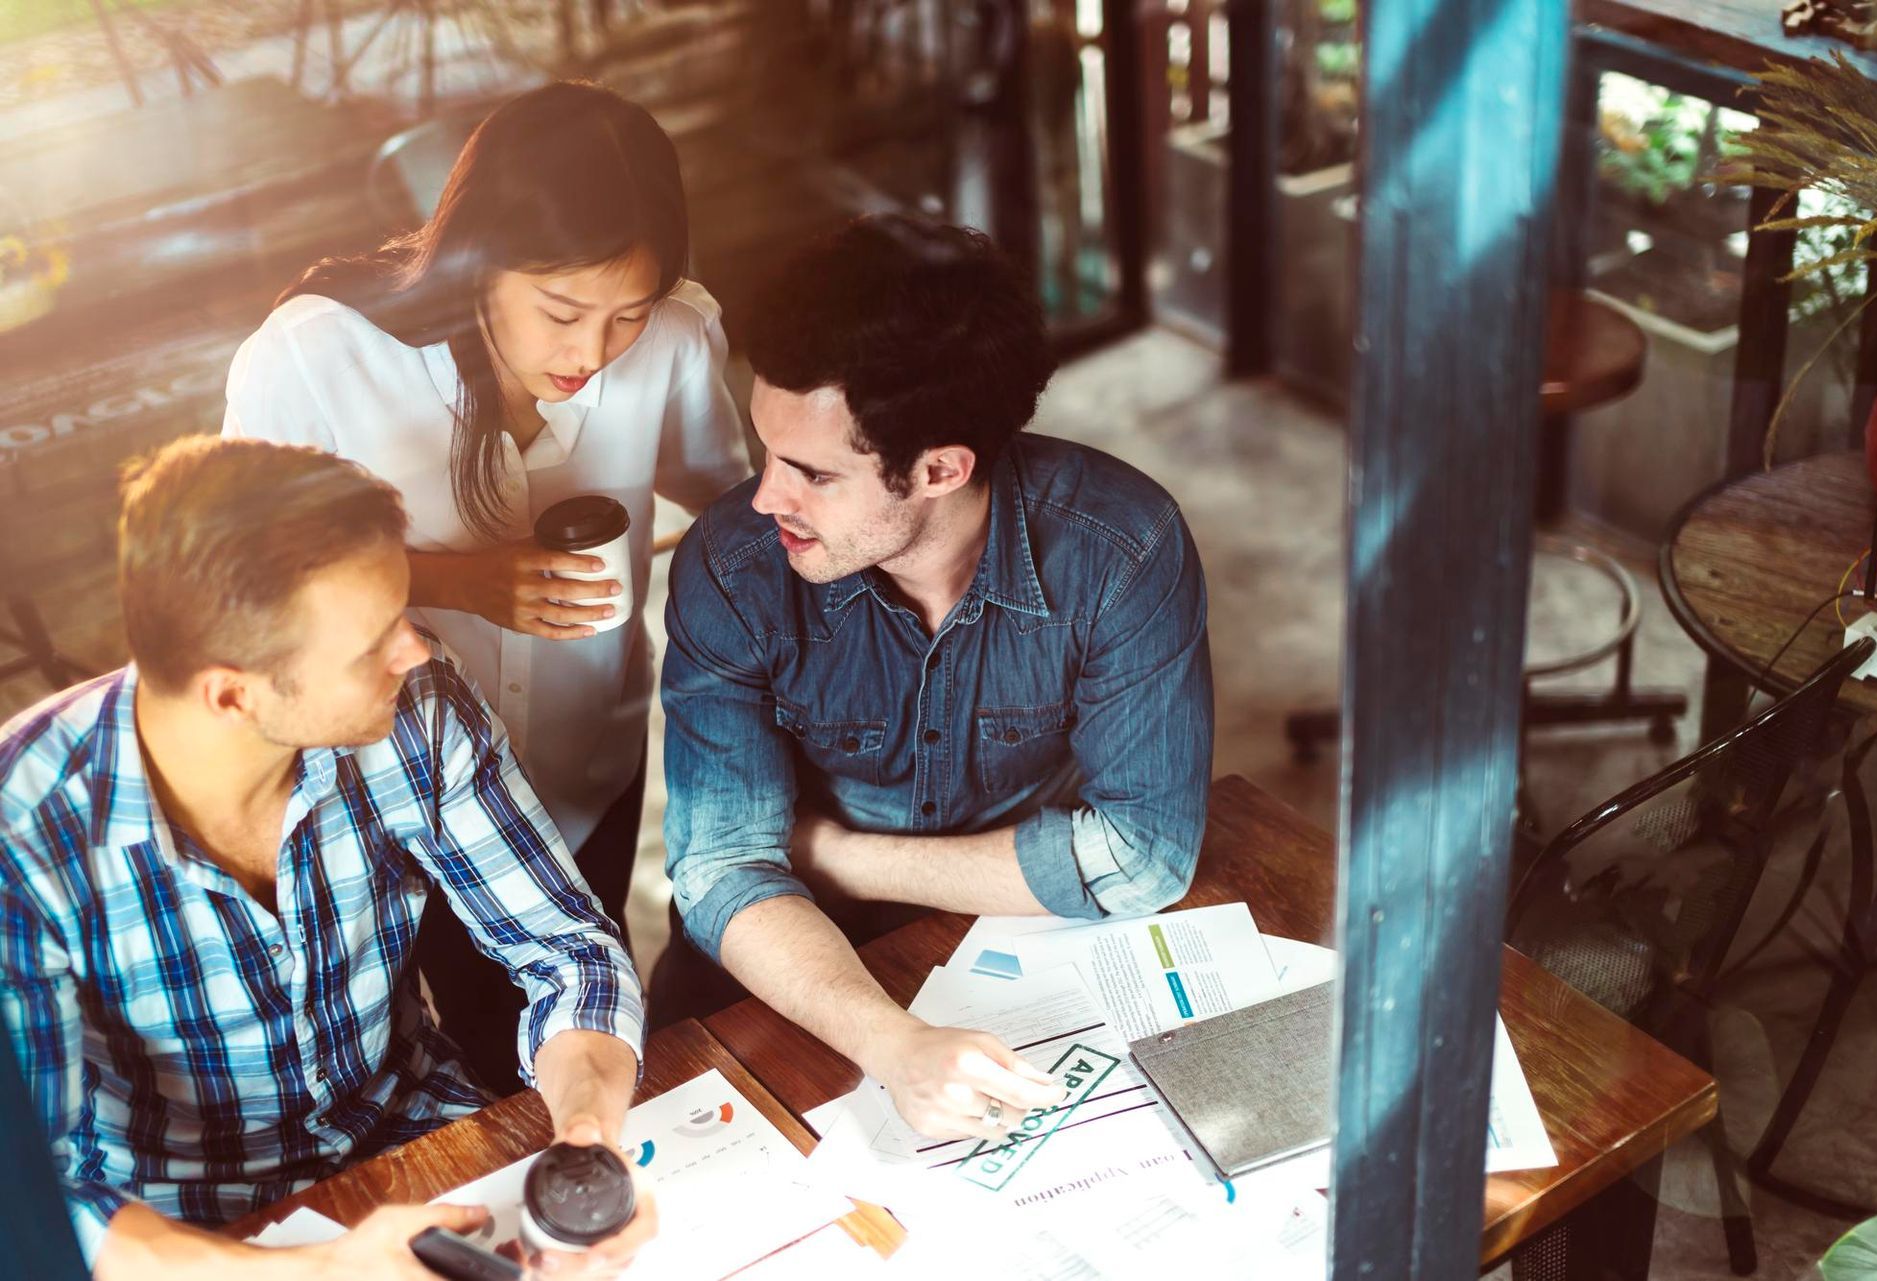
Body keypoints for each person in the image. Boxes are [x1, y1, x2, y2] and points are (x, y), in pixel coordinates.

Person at [0, 437, 652, 1279]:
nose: (415, 650)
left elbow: (568, 948)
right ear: (232, 693)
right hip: (184, 1237)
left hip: (423, 1138)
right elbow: (36, 1198)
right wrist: (322, 1270)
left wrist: (586, 1134)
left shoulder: (418, 703)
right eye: (373, 642)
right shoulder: (21, 837)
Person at [222, 81, 749, 1092]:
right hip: (388, 792)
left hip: (587, 760)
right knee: (425, 1056)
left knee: (578, 1017)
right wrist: (456, 580)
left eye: (624, 316)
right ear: (478, 255)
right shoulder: (317, 357)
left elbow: (729, 504)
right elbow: (244, 576)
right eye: (561, 311)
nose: (589, 356)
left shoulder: (678, 337)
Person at [656, 217, 1214, 1142]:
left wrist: (826, 850)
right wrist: (892, 1040)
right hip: (779, 963)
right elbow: (721, 870)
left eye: (810, 471)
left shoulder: (1122, 550)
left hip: (1018, 945)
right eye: (766, 450)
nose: (763, 498)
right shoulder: (733, 566)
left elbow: (1144, 855)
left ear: (939, 469)